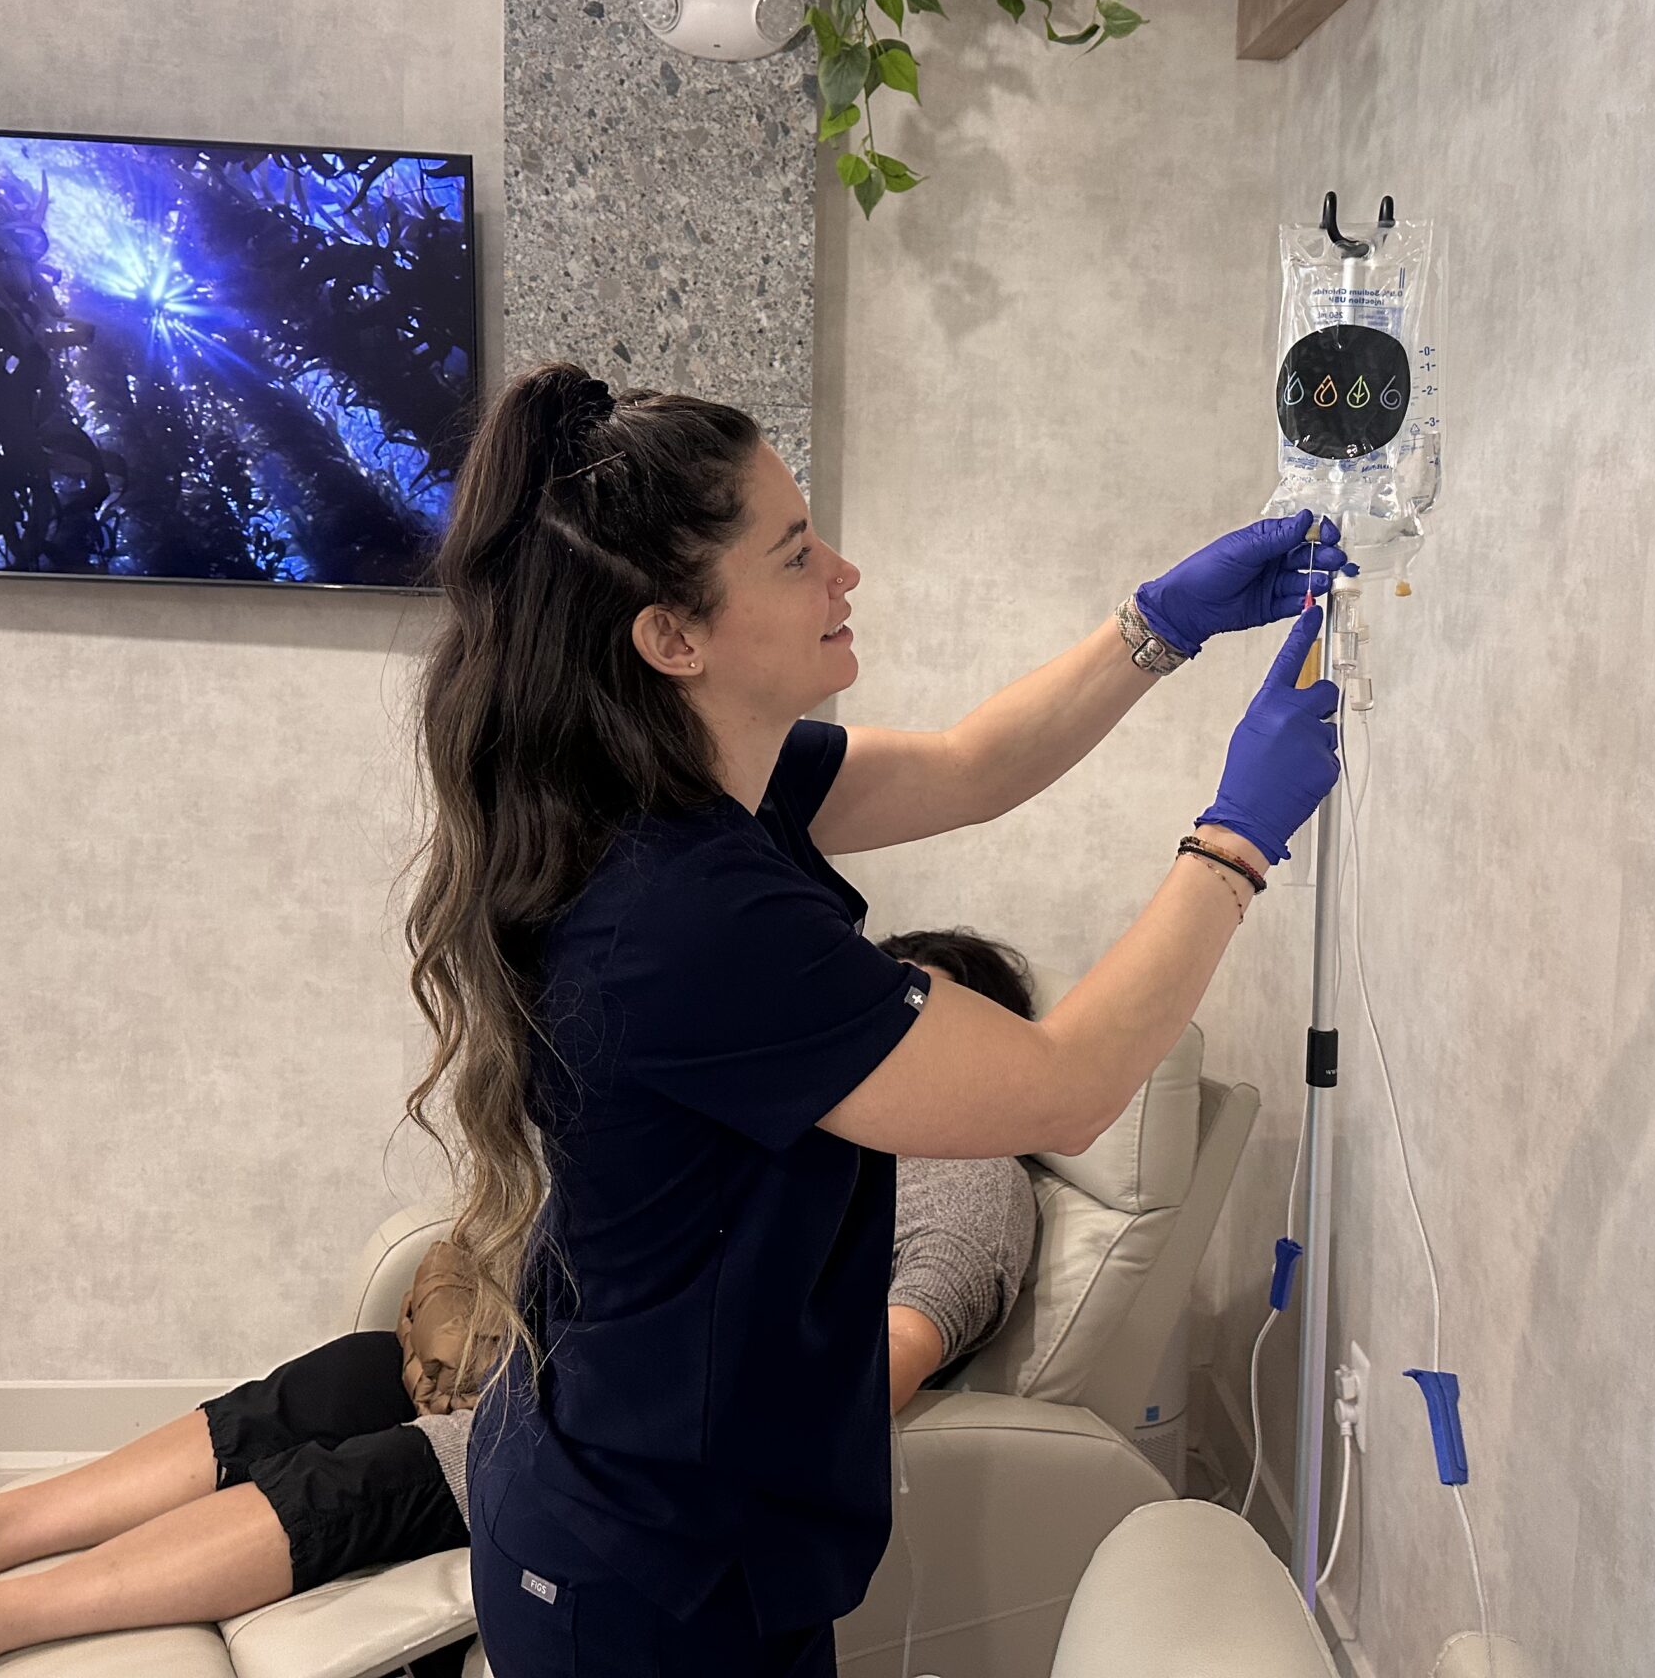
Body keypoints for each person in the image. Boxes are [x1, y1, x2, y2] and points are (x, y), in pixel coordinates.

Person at [398, 365, 1344, 1678]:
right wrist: (1234, 842)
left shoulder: (693, 775)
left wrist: (1158, 625)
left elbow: (969, 768)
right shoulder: (683, 915)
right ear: (674, 637)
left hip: (661, 1491)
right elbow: (1064, 1086)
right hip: (642, 1565)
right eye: (796, 557)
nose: (845, 573)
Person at [0, 922, 1052, 1678]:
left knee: (371, 1468)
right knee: (359, 1368)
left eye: (902, 1020)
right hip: (594, 1397)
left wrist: (609, 1372)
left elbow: (868, 1364)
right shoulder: (825, 1142)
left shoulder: (966, 1173)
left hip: (642, 1454)